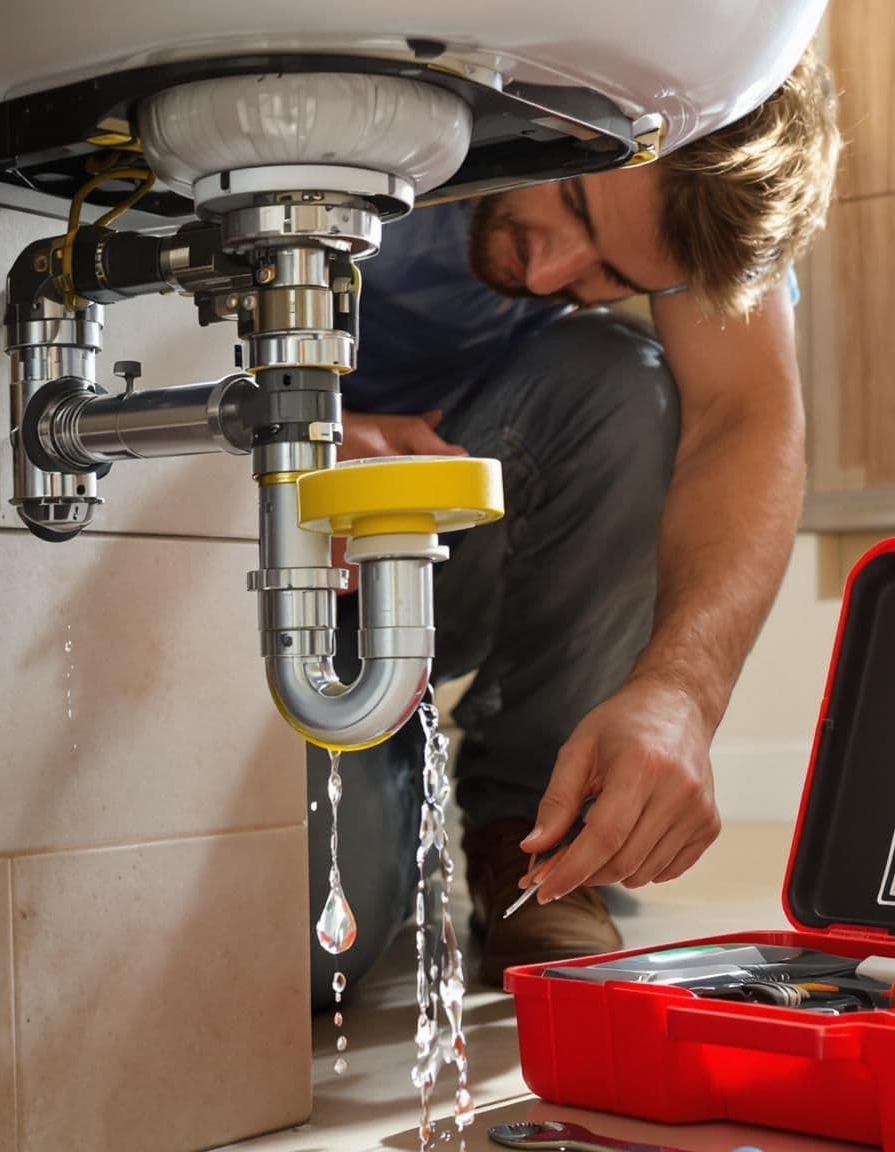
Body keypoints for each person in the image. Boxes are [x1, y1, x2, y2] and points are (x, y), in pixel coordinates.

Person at [312, 51, 843, 992]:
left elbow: (745, 418)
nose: (551, 270)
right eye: (579, 211)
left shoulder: (696, 186)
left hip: (409, 535)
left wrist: (685, 690)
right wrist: (299, 435)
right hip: (214, 508)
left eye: (608, 271)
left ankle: (531, 826)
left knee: (623, 385)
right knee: (316, 961)